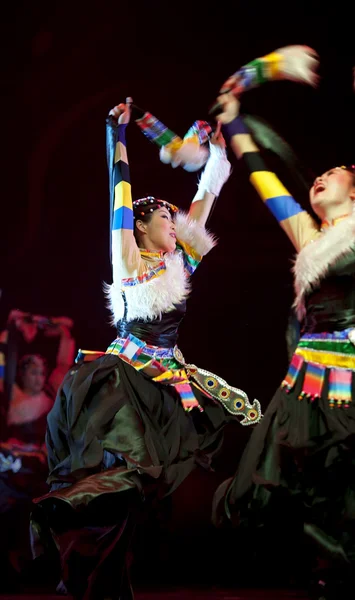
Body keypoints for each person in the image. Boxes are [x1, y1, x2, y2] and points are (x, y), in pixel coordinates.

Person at [30, 98, 261, 600]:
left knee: (141, 491)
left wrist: (217, 160)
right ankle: (64, 514)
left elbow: (204, 202)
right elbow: (120, 194)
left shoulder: (180, 266)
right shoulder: (130, 263)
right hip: (122, 379)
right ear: (141, 228)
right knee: (130, 474)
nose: (175, 223)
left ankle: (103, 573)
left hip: (164, 382)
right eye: (165, 217)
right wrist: (118, 137)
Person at [212, 84, 355, 599]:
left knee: (343, 485)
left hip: (350, 381)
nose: (320, 176)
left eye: (334, 172)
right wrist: (234, 126)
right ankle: (328, 570)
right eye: (317, 175)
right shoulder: (309, 238)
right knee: (269, 488)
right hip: (305, 382)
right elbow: (264, 181)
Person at [0, 310, 75, 590]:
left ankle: (62, 571)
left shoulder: (49, 394)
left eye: (41, 372)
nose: (38, 376)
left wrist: (53, 326)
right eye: (32, 371)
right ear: (21, 372)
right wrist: (16, 323)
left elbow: (64, 351)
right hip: (10, 470)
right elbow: (7, 352)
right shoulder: (11, 394)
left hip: (40, 470)